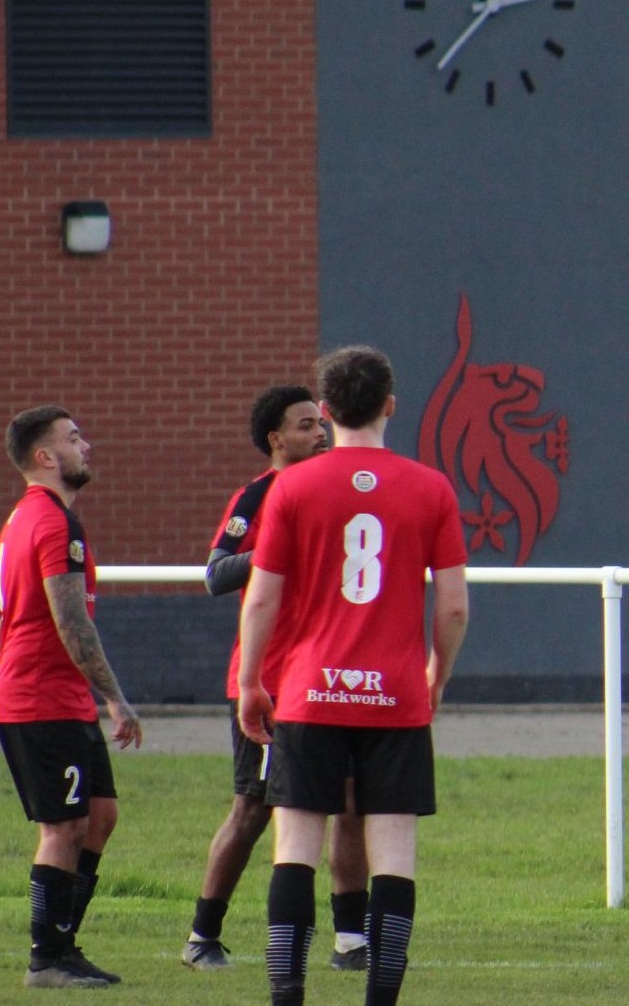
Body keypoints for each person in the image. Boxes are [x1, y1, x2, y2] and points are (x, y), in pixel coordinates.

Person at [236, 346, 469, 1006]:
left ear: (328, 409)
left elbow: (260, 596)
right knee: (392, 851)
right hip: (395, 694)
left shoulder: (293, 486)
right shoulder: (431, 487)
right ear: (392, 404)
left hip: (309, 692)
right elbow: (452, 604)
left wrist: (253, 680)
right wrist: (436, 674)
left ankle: (287, 997)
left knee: (295, 847)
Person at [184, 385, 371, 971]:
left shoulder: (336, 493)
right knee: (253, 810)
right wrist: (276, 551)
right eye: (306, 424)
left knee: (349, 803)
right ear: (276, 439)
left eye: (322, 422)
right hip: (268, 682)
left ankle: (351, 942)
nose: (319, 432)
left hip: (329, 676)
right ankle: (201, 937)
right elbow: (217, 574)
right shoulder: (259, 496)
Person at [0, 406, 143, 989]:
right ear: (44, 457)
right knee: (62, 829)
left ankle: (62, 944)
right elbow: (70, 618)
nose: (88, 446)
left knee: (98, 816)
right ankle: (46, 959)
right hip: (37, 697)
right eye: (74, 439)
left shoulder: (36, 517)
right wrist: (119, 698)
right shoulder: (53, 523)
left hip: (62, 694)